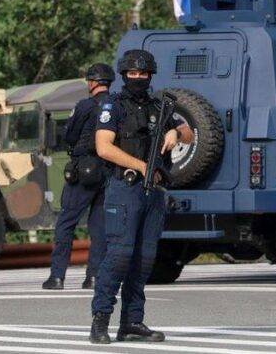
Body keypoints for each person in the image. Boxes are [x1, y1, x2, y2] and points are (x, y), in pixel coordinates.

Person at [89, 49, 194, 344]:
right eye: (132, 74)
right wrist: (141, 166)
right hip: (125, 187)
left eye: (143, 74)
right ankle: (100, 320)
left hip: (154, 192)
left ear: (150, 76)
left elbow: (188, 132)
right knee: (120, 255)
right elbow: (103, 147)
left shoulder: (158, 105)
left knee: (144, 260)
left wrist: (176, 134)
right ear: (124, 75)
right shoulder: (113, 105)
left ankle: (132, 322)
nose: (138, 78)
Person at [42, 63, 115, 290]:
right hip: (109, 169)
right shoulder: (117, 105)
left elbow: (70, 136)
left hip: (84, 170)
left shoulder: (84, 106)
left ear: (92, 82)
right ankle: (93, 277)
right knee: (99, 227)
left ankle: (57, 277)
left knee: (66, 222)